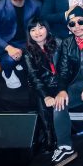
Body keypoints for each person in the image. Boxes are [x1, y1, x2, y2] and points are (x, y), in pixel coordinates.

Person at [41, 7, 83, 166]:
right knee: (59, 104)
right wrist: (62, 90)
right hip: (75, 85)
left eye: (80, 22)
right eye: (72, 24)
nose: (77, 26)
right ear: (68, 27)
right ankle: (65, 146)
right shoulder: (67, 43)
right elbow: (62, 71)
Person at [22, 18, 61, 153]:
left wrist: (61, 88)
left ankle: (58, 134)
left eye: (40, 28)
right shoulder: (28, 51)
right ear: (29, 33)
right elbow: (34, 77)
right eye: (33, 30)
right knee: (41, 99)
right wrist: (46, 96)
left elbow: (65, 69)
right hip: (43, 86)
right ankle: (49, 135)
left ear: (47, 29)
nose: (37, 32)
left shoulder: (59, 43)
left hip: (61, 84)